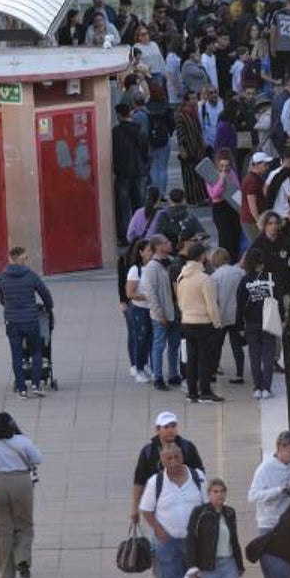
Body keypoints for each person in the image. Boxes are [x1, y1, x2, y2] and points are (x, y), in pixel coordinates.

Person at [132, 410, 206, 578]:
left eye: (173, 425)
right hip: (157, 509)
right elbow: (139, 481)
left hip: (184, 507)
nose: (170, 430)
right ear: (158, 430)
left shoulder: (188, 448)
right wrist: (134, 509)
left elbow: (201, 475)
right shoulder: (148, 452)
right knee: (157, 551)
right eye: (166, 427)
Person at [141, 442, 207, 578]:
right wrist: (158, 529)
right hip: (168, 539)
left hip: (193, 539)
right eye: (168, 459)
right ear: (162, 461)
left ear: (182, 457)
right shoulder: (156, 482)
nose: (173, 462)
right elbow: (146, 509)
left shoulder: (197, 477)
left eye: (176, 457)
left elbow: (205, 504)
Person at [0, 412, 42, 578]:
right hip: (21, 482)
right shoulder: (22, 441)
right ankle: (22, 558)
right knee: (25, 524)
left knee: (3, 530)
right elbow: (38, 458)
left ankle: (7, 573)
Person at [0, 246, 54, 399]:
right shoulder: (31, 276)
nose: (27, 260)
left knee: (17, 355)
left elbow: (2, 299)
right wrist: (48, 308)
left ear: (11, 259)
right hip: (30, 320)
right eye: (26, 258)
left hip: (12, 322)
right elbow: (46, 295)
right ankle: (36, 384)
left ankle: (22, 389)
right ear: (22, 259)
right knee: (36, 352)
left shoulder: (2, 277)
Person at [176, 243, 224, 403]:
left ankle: (192, 392)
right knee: (205, 358)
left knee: (191, 358)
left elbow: (180, 300)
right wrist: (217, 323)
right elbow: (211, 304)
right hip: (203, 323)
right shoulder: (204, 279)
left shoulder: (181, 276)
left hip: (187, 321)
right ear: (201, 257)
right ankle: (205, 390)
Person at [236, 248, 278, 398]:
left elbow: (240, 304)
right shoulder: (271, 278)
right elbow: (278, 299)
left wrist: (239, 325)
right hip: (269, 322)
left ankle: (257, 388)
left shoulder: (244, 281)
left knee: (254, 355)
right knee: (268, 355)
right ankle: (267, 388)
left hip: (251, 323)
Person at [247, 431, 290, 536]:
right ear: (281, 448)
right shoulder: (265, 469)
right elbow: (252, 496)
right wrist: (279, 490)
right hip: (270, 523)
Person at [142, 234, 179, 391]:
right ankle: (157, 377)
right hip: (161, 314)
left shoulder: (170, 262)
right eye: (165, 242)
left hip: (174, 311)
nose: (169, 243)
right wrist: (159, 313)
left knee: (174, 345)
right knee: (159, 345)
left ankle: (173, 374)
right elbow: (151, 293)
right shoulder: (152, 267)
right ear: (158, 246)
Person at [113, 102, 150, 244]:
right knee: (139, 205)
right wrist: (145, 166)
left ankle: (124, 236)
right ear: (131, 113)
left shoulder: (115, 133)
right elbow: (146, 151)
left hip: (122, 174)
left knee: (122, 207)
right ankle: (140, 233)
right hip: (139, 172)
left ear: (118, 115)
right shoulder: (139, 130)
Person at [208, 247, 245, 384]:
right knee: (237, 345)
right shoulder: (240, 272)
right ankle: (239, 373)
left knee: (217, 345)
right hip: (237, 315)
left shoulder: (214, 277)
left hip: (221, 315)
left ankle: (212, 372)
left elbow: (214, 299)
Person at [123, 239, 155, 383]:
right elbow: (130, 293)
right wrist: (147, 296)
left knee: (150, 340)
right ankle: (138, 368)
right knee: (140, 339)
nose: (151, 253)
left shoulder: (154, 267)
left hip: (151, 309)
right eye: (148, 250)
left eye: (152, 250)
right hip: (139, 309)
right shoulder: (135, 270)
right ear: (141, 252)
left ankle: (145, 364)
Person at [207, 148, 243, 259]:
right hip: (220, 207)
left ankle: (235, 259)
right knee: (225, 237)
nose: (224, 168)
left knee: (236, 235)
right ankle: (224, 261)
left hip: (232, 207)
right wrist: (221, 181)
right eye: (221, 165)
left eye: (227, 165)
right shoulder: (211, 175)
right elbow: (213, 194)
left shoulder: (232, 173)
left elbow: (237, 188)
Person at [176, 92, 208, 206]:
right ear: (186, 101)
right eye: (192, 99)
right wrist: (183, 150)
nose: (195, 100)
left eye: (196, 98)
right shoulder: (181, 115)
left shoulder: (194, 113)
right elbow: (180, 134)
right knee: (190, 176)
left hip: (198, 150)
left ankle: (201, 198)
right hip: (188, 151)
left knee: (199, 175)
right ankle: (193, 200)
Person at [146, 81, 174, 190]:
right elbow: (172, 122)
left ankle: (155, 192)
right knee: (163, 168)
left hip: (152, 138)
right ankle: (162, 192)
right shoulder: (166, 106)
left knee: (153, 167)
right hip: (164, 137)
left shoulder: (147, 106)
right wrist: (170, 132)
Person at [240, 152, 272, 241]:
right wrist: (259, 222)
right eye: (265, 165)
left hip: (253, 220)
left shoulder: (255, 178)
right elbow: (252, 205)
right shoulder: (252, 181)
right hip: (252, 221)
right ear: (257, 165)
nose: (267, 167)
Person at [266, 148, 290, 218]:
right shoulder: (286, 176)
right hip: (285, 214)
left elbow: (265, 190)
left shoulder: (273, 173)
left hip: (274, 212)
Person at [268, 77, 290, 156]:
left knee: (283, 157)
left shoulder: (276, 97)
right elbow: (285, 117)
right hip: (284, 136)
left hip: (275, 134)